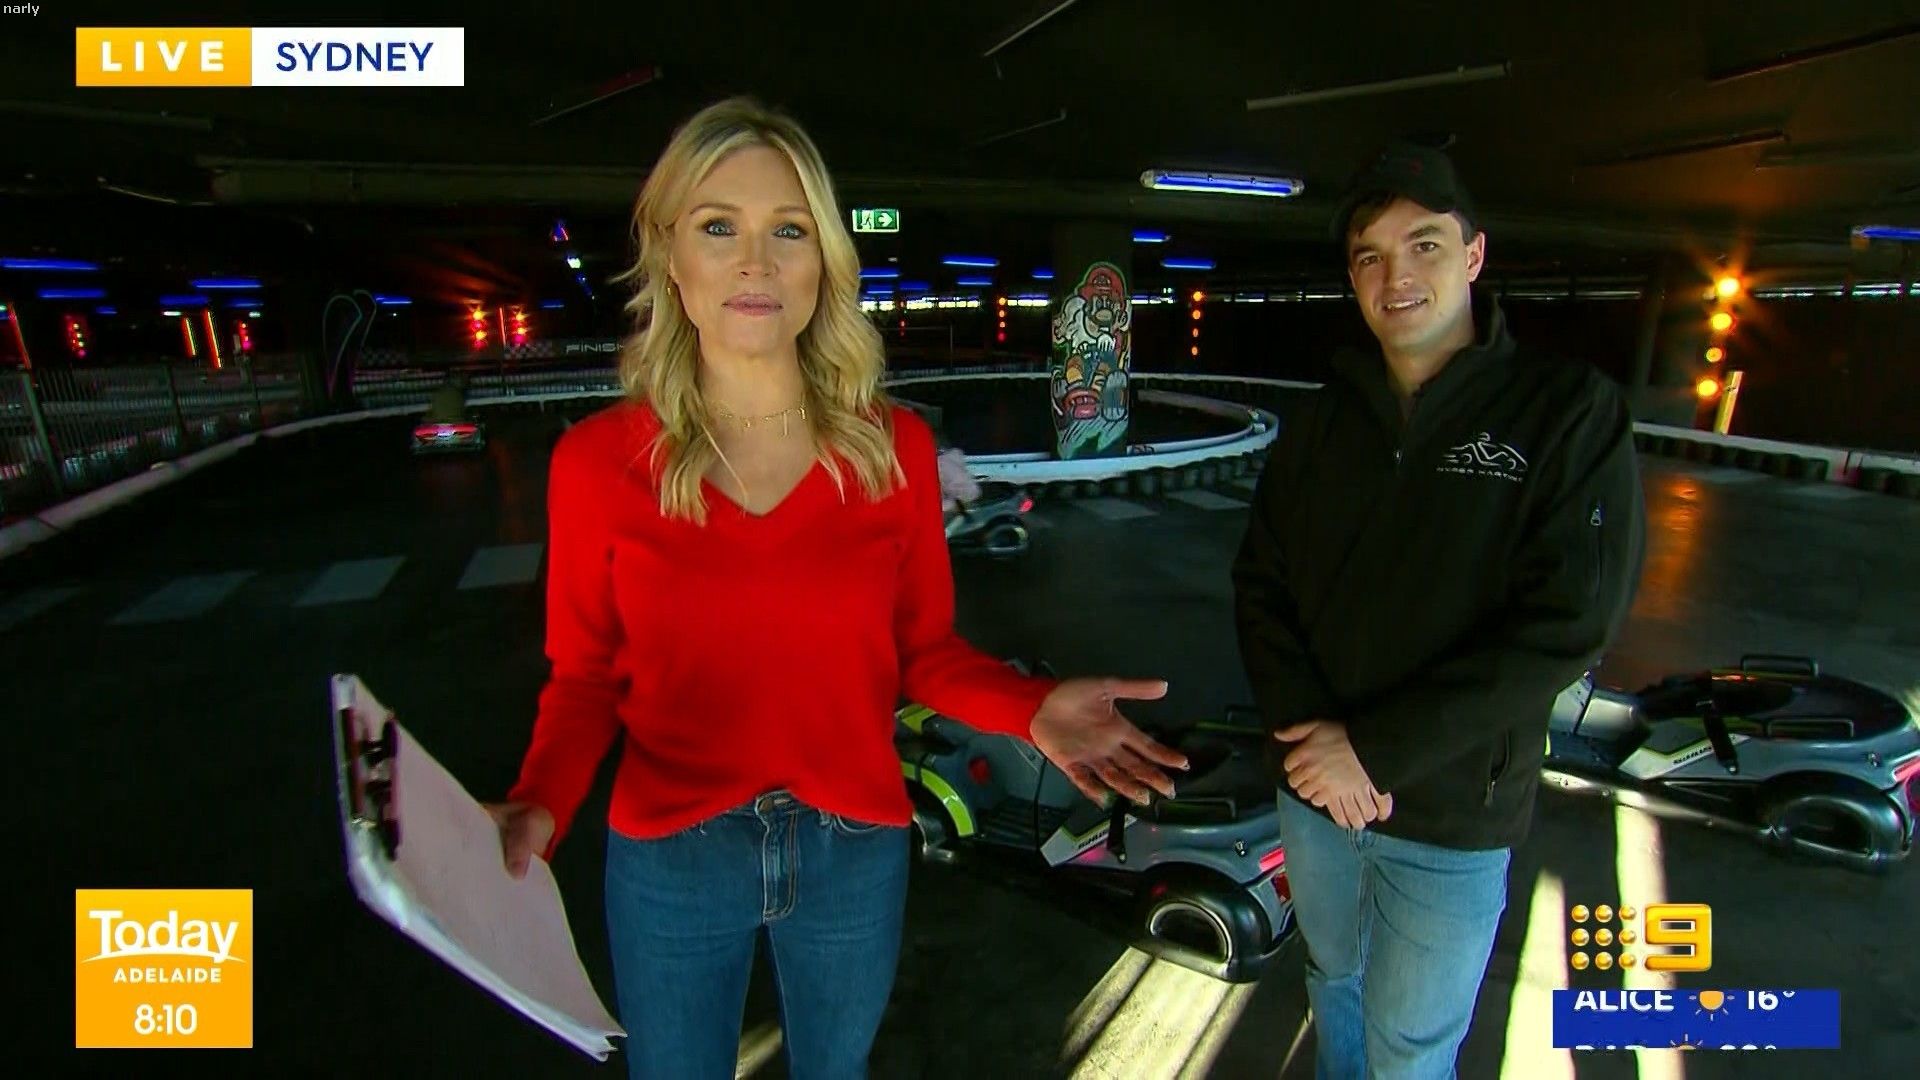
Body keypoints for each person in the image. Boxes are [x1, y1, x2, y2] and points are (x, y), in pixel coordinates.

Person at [484, 97, 1187, 1080]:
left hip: (854, 847)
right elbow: (584, 678)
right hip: (673, 855)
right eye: (718, 227)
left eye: (790, 230)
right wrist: (539, 805)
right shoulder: (597, 464)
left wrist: (1030, 709)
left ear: (824, 264)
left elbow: (922, 652)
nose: (755, 262)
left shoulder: (892, 450)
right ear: (671, 258)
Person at [1231, 140, 1645, 1078]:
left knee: (1412, 1045)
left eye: (1423, 244)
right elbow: (1261, 584)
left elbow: (1568, 623)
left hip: (1452, 814)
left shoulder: (1565, 413)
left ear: (1474, 255)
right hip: (1315, 794)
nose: (1397, 277)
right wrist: (1312, 741)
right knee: (1334, 984)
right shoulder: (1323, 423)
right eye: (1370, 257)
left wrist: (1374, 751)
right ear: (1352, 279)